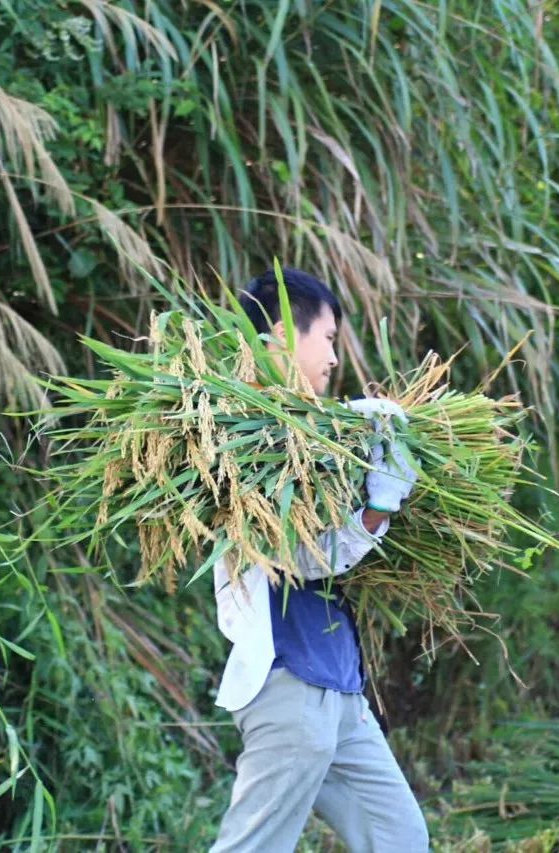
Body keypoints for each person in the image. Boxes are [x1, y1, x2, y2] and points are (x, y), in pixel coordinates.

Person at [209, 267, 429, 852]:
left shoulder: (318, 435)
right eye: (328, 338)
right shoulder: (245, 436)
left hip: (340, 690)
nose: (334, 358)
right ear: (282, 334)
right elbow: (297, 559)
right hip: (291, 685)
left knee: (400, 840)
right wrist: (376, 510)